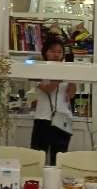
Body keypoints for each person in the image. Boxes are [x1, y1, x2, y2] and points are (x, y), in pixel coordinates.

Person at [30, 35, 75, 165]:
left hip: (63, 118)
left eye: (59, 52)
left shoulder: (67, 70)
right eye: (52, 51)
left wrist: (72, 76)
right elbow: (48, 88)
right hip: (43, 118)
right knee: (38, 157)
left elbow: (70, 94)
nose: (56, 55)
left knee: (59, 159)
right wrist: (59, 74)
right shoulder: (38, 69)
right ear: (45, 52)